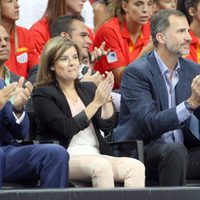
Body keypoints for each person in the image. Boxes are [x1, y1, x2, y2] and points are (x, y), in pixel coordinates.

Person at [32, 36, 145, 188]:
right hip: (65, 156)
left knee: (135, 166)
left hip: (96, 153)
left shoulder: (87, 89)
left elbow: (107, 126)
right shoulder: (43, 94)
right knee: (100, 166)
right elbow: (67, 128)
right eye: (64, 59)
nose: (72, 63)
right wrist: (96, 102)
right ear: (52, 65)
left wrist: (106, 99)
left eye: (75, 57)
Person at [113, 9, 200, 186]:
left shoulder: (193, 70)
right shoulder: (137, 72)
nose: (189, 38)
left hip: (184, 151)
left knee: (177, 151)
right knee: (174, 152)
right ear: (161, 38)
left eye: (188, 31)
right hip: (142, 152)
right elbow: (149, 123)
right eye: (181, 31)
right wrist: (190, 104)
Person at [0, 24, 69, 189]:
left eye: (5, 39)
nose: (3, 44)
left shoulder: (10, 82)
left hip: (8, 152)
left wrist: (17, 109)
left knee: (56, 153)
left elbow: (20, 133)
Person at [93, 0, 153, 89]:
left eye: (149, 4)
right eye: (138, 4)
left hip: (139, 88)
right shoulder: (109, 32)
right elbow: (122, 81)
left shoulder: (151, 28)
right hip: (109, 93)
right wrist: (145, 53)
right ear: (125, 6)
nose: (145, 9)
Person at [0, 0, 39, 78]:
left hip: (23, 87)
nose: (17, 5)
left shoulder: (25, 34)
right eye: (10, 1)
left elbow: (36, 69)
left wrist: (28, 87)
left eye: (16, 0)